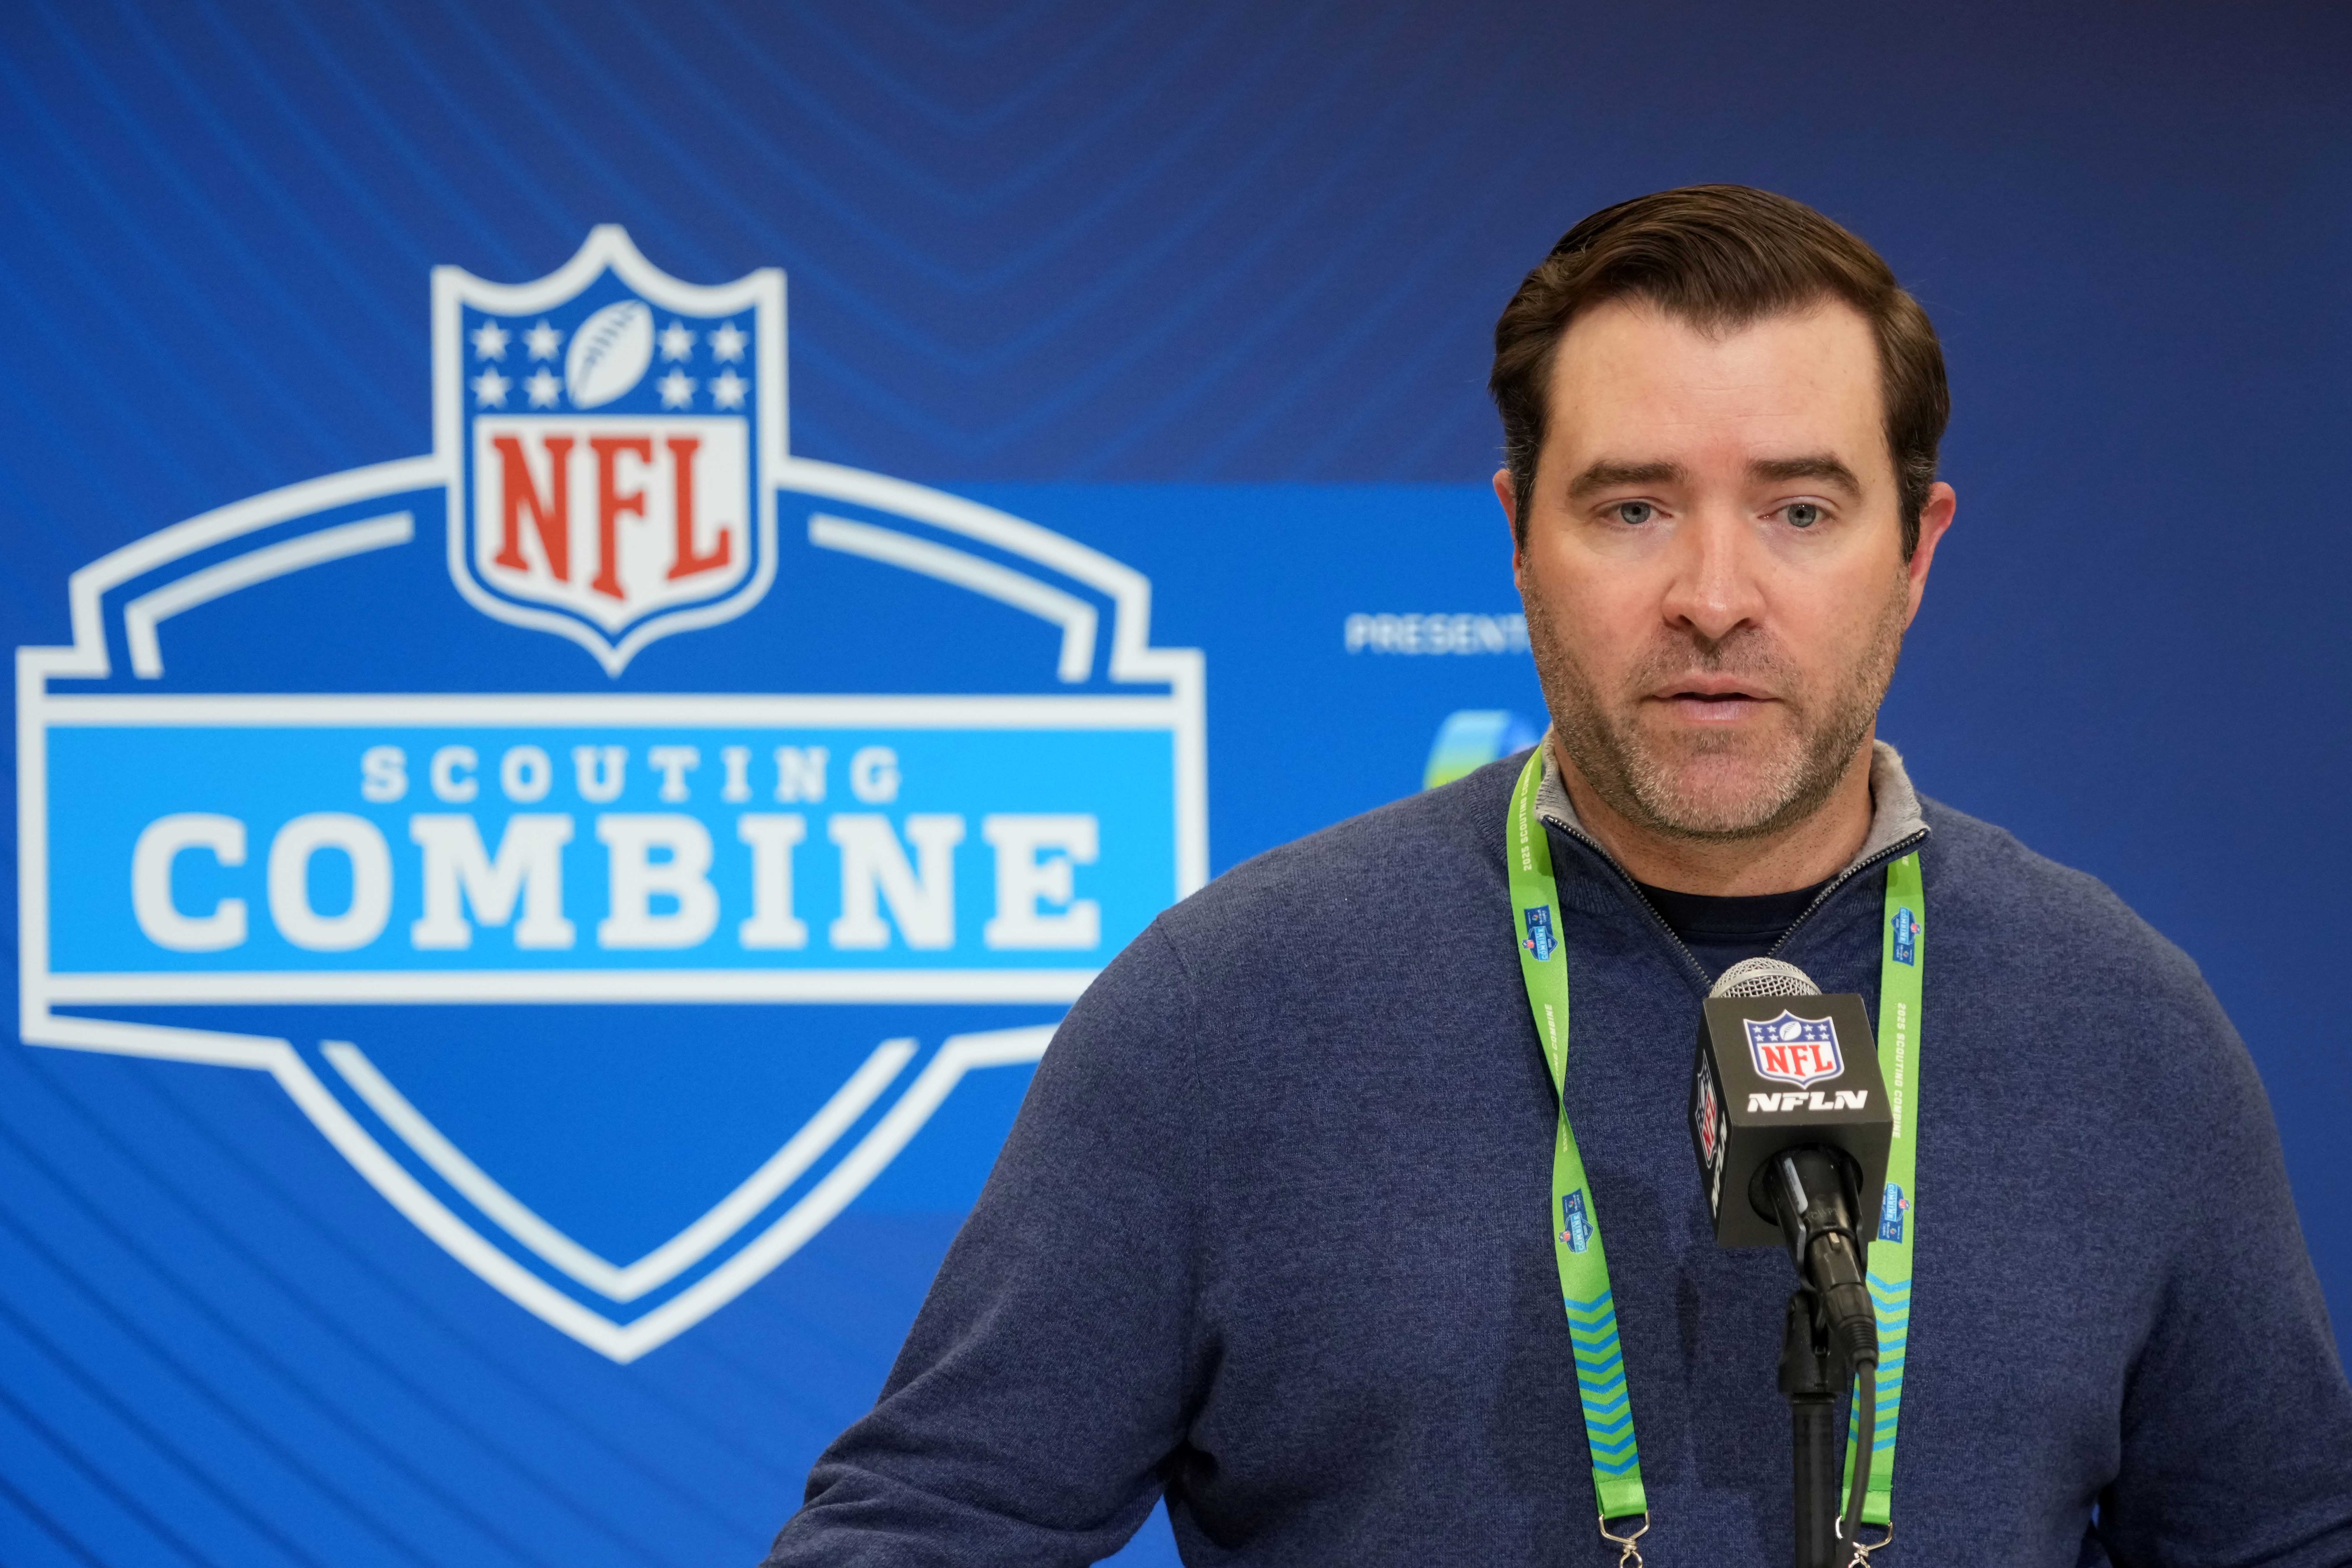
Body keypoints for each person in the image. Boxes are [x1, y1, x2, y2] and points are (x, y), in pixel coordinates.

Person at [763, 186, 2352, 1566]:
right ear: (1521, 534)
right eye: (1634, 507)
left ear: (1917, 547)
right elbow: (931, 1522)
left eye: (1799, 510)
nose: (1713, 595)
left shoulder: (2121, 1029)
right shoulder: (1235, 1007)